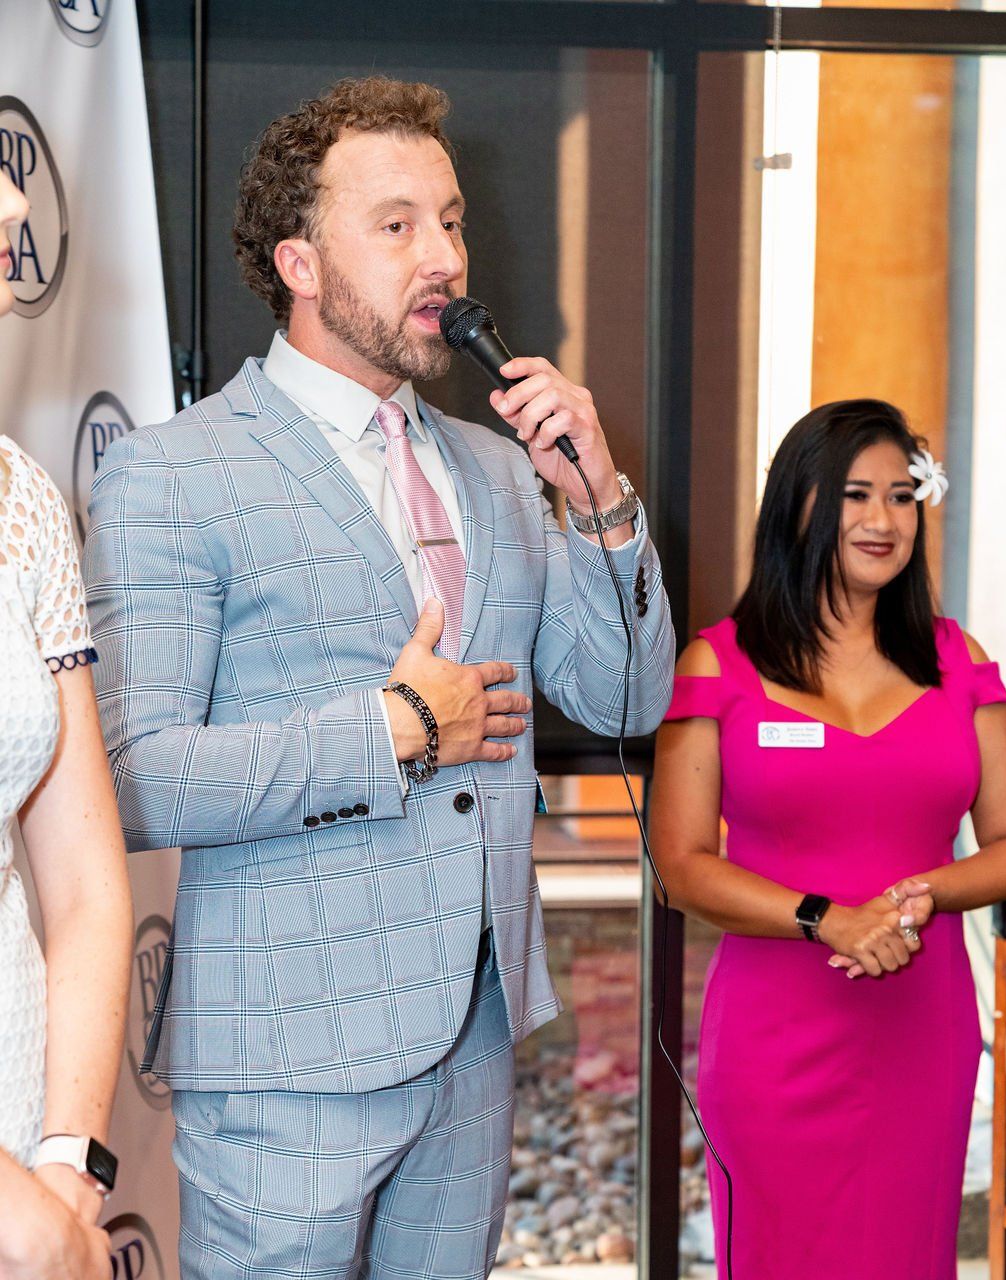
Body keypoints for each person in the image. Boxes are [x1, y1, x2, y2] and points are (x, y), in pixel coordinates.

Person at [82, 76, 674, 1279]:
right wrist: (392, 728)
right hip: (285, 1058)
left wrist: (600, 500)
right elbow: (133, 778)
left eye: (450, 220)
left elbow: (625, 701)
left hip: (475, 1039)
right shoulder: (173, 473)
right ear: (300, 263)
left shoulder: (498, 469)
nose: (442, 255)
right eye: (396, 224)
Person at [650, 398, 1006, 1280]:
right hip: (774, 1030)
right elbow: (682, 865)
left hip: (921, 1024)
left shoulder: (960, 660)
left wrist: (923, 895)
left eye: (901, 496)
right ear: (798, 504)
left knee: (906, 1252)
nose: (883, 520)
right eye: (856, 495)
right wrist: (828, 917)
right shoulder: (718, 663)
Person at [0, 172, 133, 1278]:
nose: (13, 203)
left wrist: (64, 1159)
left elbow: (84, 878)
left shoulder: (24, 500)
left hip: (21, 1081)